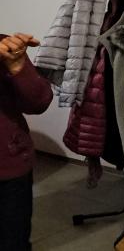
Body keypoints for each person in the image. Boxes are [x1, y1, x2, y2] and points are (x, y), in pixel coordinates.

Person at [0, 33, 54, 251]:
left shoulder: (6, 47)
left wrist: (17, 66)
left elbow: (39, 102)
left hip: (8, 169)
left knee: (13, 241)